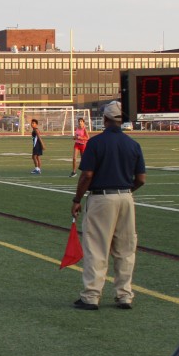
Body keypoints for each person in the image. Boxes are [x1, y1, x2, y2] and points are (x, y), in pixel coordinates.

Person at [71, 101, 146, 310]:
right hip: (126, 197)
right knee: (126, 249)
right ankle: (124, 295)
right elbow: (141, 179)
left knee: (96, 247)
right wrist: (126, 191)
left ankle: (91, 295)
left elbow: (87, 175)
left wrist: (77, 199)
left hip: (101, 198)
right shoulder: (133, 144)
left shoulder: (96, 143)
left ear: (105, 119)